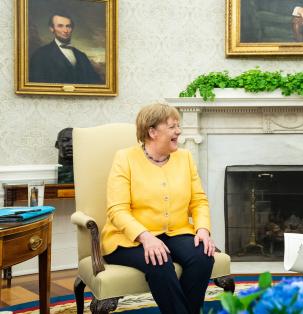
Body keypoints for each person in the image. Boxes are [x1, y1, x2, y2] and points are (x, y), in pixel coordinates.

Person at [100, 103, 216, 314]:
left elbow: (198, 200)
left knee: (203, 256)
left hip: (176, 231)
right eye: (172, 127)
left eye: (178, 126)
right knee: (158, 261)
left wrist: (202, 229)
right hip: (129, 239)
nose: (178, 131)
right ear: (152, 132)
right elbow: (117, 210)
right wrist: (145, 237)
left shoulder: (185, 157)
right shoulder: (125, 158)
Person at [29, 13, 103, 84]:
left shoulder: (82, 56)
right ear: (52, 29)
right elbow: (37, 85)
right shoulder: (40, 55)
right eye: (60, 26)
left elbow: (95, 83)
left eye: (68, 26)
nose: (65, 30)